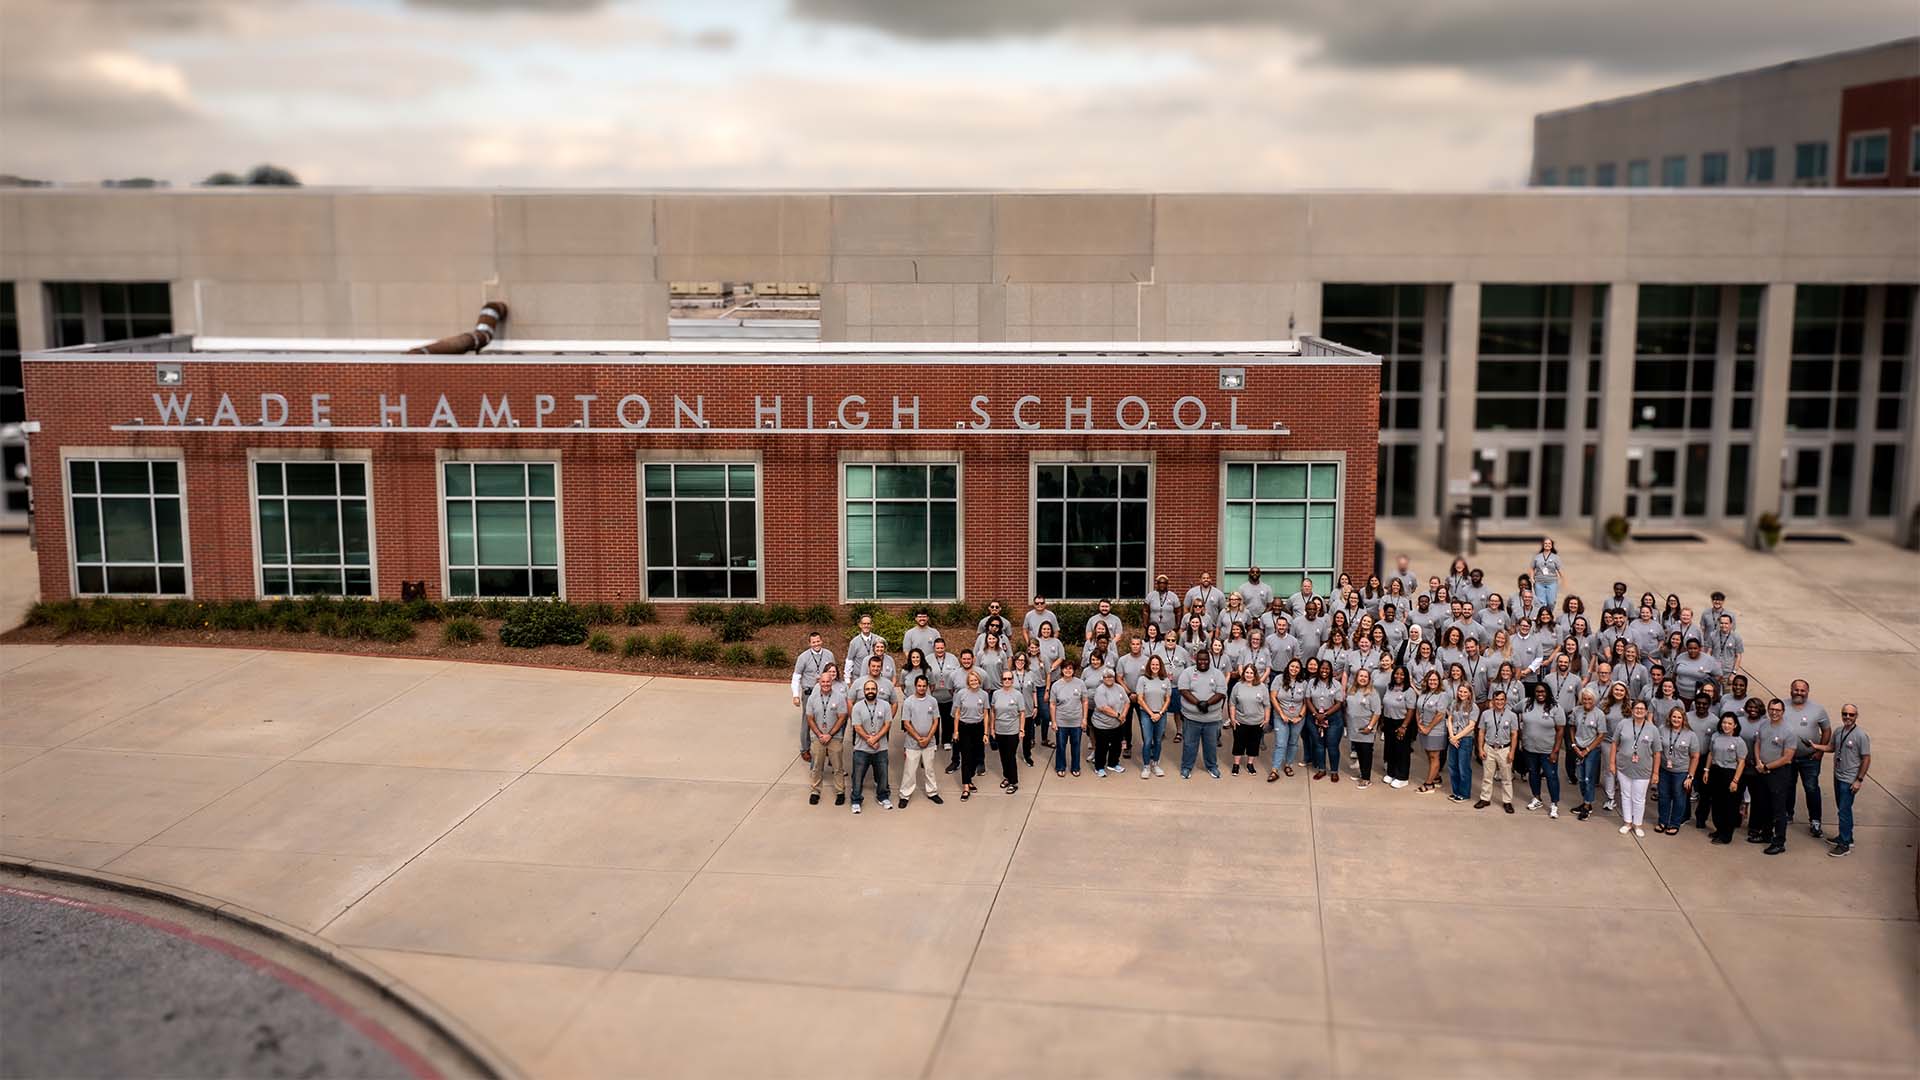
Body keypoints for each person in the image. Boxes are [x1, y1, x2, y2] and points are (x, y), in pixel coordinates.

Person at [1812, 705, 1870, 857]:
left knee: (1844, 811)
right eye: (1845, 714)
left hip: (1849, 779)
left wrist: (1859, 780)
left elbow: (1866, 758)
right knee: (1842, 808)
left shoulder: (1861, 735)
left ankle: (1844, 845)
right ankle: (1846, 837)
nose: (1848, 717)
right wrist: (1816, 746)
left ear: (1856, 716)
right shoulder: (1839, 731)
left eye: (1851, 714)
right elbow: (1832, 747)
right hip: (1838, 776)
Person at [1782, 679, 1831, 838]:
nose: (1799, 693)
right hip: (1788, 757)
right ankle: (1787, 814)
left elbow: (1827, 731)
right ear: (1791, 690)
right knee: (1788, 786)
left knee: (1811, 788)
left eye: (1802, 690)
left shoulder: (1817, 709)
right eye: (1796, 690)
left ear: (1807, 692)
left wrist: (1820, 752)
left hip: (1810, 758)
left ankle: (1815, 821)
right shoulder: (1782, 706)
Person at [1749, 698, 1796, 854]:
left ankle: (1779, 841)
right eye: (1772, 709)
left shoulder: (1788, 731)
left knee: (1778, 809)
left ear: (1783, 712)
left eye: (1777, 710)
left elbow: (1787, 757)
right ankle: (1766, 834)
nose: (1774, 712)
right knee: (1765, 805)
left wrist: (1767, 766)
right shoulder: (1763, 724)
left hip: (1778, 773)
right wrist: (1758, 762)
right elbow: (1758, 743)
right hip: (1762, 769)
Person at [1610, 699, 1659, 837]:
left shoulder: (1652, 729)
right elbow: (1614, 743)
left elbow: (1657, 752)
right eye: (1636, 708)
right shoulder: (1623, 724)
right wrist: (1612, 763)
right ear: (1632, 710)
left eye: (1642, 708)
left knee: (1639, 798)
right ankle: (1627, 822)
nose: (1639, 711)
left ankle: (1638, 824)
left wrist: (1655, 773)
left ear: (1646, 711)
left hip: (1643, 769)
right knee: (1625, 795)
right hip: (1624, 767)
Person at [802, 666, 848, 806]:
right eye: (823, 682)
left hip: (834, 737)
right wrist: (820, 734)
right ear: (819, 683)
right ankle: (815, 791)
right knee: (816, 766)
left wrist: (830, 734)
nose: (826, 684)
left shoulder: (839, 698)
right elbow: (810, 718)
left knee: (838, 767)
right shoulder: (812, 698)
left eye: (828, 682)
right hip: (817, 737)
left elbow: (842, 717)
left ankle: (840, 792)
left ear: (831, 682)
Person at [1179, 650, 1227, 779]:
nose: (1203, 662)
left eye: (1205, 660)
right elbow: (1184, 690)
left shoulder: (1217, 674)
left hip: (1212, 719)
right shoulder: (1188, 672)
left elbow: (1221, 692)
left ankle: (1212, 766)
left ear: (1209, 660)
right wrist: (1198, 703)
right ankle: (1186, 767)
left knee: (1210, 745)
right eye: (1200, 659)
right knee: (1189, 744)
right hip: (1191, 718)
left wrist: (1207, 703)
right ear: (1196, 659)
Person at [896, 676, 944, 808]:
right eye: (919, 686)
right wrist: (918, 738)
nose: (922, 688)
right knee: (909, 770)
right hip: (912, 743)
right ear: (915, 686)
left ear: (927, 686)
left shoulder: (932, 701)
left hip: (929, 742)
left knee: (929, 769)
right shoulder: (908, 702)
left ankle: (932, 792)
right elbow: (906, 723)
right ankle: (905, 795)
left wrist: (928, 738)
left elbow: (935, 721)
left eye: (924, 686)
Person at [847, 678, 893, 814]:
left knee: (883, 775)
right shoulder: (857, 706)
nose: (870, 691)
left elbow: (887, 724)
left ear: (877, 691)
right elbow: (857, 726)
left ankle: (883, 796)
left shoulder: (885, 705)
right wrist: (870, 739)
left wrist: (876, 738)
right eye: (868, 689)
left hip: (881, 747)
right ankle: (856, 800)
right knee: (858, 776)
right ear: (863, 691)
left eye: (873, 689)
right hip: (862, 748)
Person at [1518, 681, 1563, 817]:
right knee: (1533, 773)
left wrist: (1555, 751)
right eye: (1538, 692)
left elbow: (1560, 730)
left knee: (1551, 776)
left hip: (1548, 750)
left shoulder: (1555, 707)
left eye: (1543, 692)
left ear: (1547, 692)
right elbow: (1512, 710)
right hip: (1530, 748)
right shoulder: (1526, 703)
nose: (1540, 694)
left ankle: (1554, 803)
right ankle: (1536, 798)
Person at [791, 631, 837, 759]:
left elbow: (833, 672)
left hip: (825, 691)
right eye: (813, 642)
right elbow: (796, 677)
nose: (816, 644)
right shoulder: (803, 657)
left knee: (826, 719)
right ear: (809, 643)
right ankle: (805, 749)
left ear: (821, 641)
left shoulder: (829, 655)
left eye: (818, 641)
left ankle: (825, 746)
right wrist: (795, 695)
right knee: (808, 721)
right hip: (809, 692)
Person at [1654, 706, 1699, 835]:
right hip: (1664, 770)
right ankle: (1662, 821)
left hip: (1681, 772)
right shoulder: (1662, 729)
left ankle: (1674, 823)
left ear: (1683, 718)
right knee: (1663, 797)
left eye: (1679, 717)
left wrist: (1690, 776)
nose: (1676, 719)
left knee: (1679, 798)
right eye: (1674, 716)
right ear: (1670, 717)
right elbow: (1657, 749)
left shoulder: (1691, 735)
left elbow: (1695, 756)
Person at [1704, 712, 1748, 845]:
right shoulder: (1716, 736)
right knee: (1717, 803)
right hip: (1716, 771)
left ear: (1735, 725)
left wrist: (1735, 781)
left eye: (1729, 723)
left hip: (1730, 773)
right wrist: (1706, 770)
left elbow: (1741, 762)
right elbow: (1711, 753)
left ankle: (1726, 835)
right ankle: (1719, 829)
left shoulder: (1739, 741)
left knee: (1729, 806)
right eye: (1724, 722)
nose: (1726, 726)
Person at [1566, 685, 1607, 820]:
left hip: (1592, 750)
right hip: (1578, 747)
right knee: (1581, 778)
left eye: (1589, 699)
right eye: (1584, 699)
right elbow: (1572, 727)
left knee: (1589, 778)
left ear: (1594, 700)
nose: (1587, 701)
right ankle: (1585, 802)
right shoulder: (1576, 711)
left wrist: (1587, 750)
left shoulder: (1599, 714)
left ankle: (1587, 806)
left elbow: (1601, 735)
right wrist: (1573, 745)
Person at [1475, 688, 1518, 813]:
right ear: (1493, 701)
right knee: (1487, 776)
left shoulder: (1512, 715)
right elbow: (1481, 732)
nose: (1499, 702)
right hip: (1489, 747)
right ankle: (1485, 798)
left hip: (1504, 749)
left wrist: (1512, 752)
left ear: (1505, 701)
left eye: (1501, 700)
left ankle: (1507, 801)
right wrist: (1480, 748)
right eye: (1497, 699)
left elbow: (1514, 734)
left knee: (1506, 777)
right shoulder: (1486, 714)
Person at [1304, 659, 1346, 783]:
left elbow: (1339, 703)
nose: (1324, 671)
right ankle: (1321, 769)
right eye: (1322, 668)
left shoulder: (1336, 684)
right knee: (1318, 745)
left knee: (1332, 746)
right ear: (1318, 669)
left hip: (1333, 719)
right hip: (1314, 718)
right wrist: (1315, 714)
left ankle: (1334, 771)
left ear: (1331, 670)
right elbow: (1308, 699)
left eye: (1327, 669)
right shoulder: (1312, 682)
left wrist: (1325, 714)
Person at [952, 670, 991, 800]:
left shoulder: (984, 695)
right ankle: (966, 787)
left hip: (978, 728)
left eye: (976, 680)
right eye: (971, 681)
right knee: (966, 757)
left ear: (979, 681)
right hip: (964, 728)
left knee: (977, 756)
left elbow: (986, 714)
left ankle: (969, 779)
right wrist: (956, 731)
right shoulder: (961, 694)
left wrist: (986, 732)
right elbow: (957, 713)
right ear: (968, 682)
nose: (974, 683)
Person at [1269, 658, 1308, 781]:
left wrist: (1300, 716)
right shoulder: (1279, 679)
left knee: (1293, 742)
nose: (1294, 669)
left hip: (1298, 718)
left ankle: (1288, 765)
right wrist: (1281, 714)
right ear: (1288, 667)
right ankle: (1275, 769)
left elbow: (1306, 702)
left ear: (1300, 669)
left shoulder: (1304, 683)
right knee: (1281, 743)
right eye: (1292, 666)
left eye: (1297, 667)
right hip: (1281, 716)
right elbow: (1273, 697)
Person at [1134, 654, 1173, 779]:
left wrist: (1160, 713)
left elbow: (1168, 699)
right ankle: (1146, 766)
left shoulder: (1165, 680)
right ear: (1149, 666)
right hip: (1146, 713)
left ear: (1160, 666)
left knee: (1157, 741)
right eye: (1152, 665)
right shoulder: (1142, 679)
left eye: (1157, 664)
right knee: (1147, 740)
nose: (1155, 667)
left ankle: (1155, 763)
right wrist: (1151, 714)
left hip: (1161, 714)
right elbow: (1140, 699)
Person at [990, 670, 1028, 795]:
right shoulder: (996, 694)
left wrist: (1021, 729)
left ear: (1012, 680)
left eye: (1009, 679)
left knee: (1010, 756)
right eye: (1005, 679)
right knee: (1002, 755)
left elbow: (1022, 713)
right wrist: (992, 728)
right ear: (1001, 680)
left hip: (1013, 730)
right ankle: (1006, 776)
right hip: (1000, 729)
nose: (1007, 681)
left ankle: (1013, 782)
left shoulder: (1018, 695)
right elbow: (993, 712)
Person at [1227, 663, 1269, 776]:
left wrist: (1266, 719)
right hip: (1241, 721)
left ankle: (1250, 764)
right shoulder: (1237, 686)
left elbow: (1267, 705)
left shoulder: (1262, 687)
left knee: (1253, 744)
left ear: (1255, 674)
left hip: (1257, 722)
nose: (1249, 675)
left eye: (1251, 673)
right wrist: (1232, 718)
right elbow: (1232, 703)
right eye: (1247, 672)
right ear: (1243, 673)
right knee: (1238, 743)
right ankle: (1236, 765)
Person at [1379, 665, 1416, 789]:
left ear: (1406, 676)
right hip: (1389, 721)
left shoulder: (1409, 691)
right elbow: (1385, 705)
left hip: (1402, 722)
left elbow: (1411, 710)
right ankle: (1391, 772)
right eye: (1396, 673)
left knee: (1402, 751)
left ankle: (1402, 777)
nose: (1398, 676)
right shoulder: (1389, 687)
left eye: (1401, 674)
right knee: (1390, 748)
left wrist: (1404, 726)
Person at [1090, 667, 1130, 777]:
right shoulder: (1100, 690)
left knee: (1117, 745)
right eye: (1106, 677)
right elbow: (1103, 707)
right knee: (1102, 747)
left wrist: (1123, 715)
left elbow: (1127, 702)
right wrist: (1118, 715)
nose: (1109, 679)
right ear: (1103, 678)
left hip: (1117, 724)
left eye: (1111, 676)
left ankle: (1113, 763)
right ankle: (1099, 767)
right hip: (1102, 724)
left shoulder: (1119, 688)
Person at [1050, 659, 1087, 778]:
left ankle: (1075, 767)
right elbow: (1053, 704)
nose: (1068, 670)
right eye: (1065, 668)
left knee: (1076, 745)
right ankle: (1060, 767)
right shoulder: (1056, 685)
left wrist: (1084, 719)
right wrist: (1054, 721)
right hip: (1061, 721)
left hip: (1076, 721)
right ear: (1061, 670)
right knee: (1061, 745)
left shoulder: (1080, 683)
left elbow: (1085, 701)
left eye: (1070, 668)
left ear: (1074, 670)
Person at [1416, 670, 1450, 794]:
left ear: (1439, 681)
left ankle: (1429, 784)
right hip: (1423, 728)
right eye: (1430, 680)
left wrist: (1428, 728)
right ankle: (1436, 777)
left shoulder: (1443, 695)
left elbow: (1440, 715)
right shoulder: (1423, 693)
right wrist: (1419, 724)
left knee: (1434, 756)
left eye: (1435, 680)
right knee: (1428, 754)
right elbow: (1418, 709)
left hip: (1436, 730)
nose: (1432, 682)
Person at [1346, 667, 1382, 788]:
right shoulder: (1351, 690)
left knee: (1366, 753)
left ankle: (1366, 779)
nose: (1363, 678)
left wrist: (1370, 726)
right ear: (1356, 677)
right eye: (1360, 676)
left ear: (1369, 679)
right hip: (1354, 728)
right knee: (1359, 752)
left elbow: (1377, 712)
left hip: (1366, 729)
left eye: (1365, 676)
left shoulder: (1373, 693)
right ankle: (1362, 773)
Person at [1444, 683, 1478, 802]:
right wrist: (1452, 736)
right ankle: (1456, 791)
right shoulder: (1454, 704)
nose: (1462, 694)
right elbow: (1449, 719)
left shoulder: (1473, 707)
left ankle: (1464, 794)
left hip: (1465, 739)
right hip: (1453, 738)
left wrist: (1456, 737)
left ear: (1470, 693)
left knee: (1463, 767)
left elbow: (1471, 726)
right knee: (1453, 766)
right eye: (1460, 691)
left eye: (1465, 692)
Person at [1529, 538, 1564, 611]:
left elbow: (1560, 569)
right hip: (1539, 582)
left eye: (1549, 544)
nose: (1547, 545)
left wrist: (1562, 579)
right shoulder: (1537, 557)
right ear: (1543, 545)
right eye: (1545, 543)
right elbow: (1532, 568)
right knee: (1541, 602)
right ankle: (1543, 616)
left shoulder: (1556, 557)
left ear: (1551, 546)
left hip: (1552, 582)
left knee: (1551, 602)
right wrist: (1531, 578)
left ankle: (1549, 614)